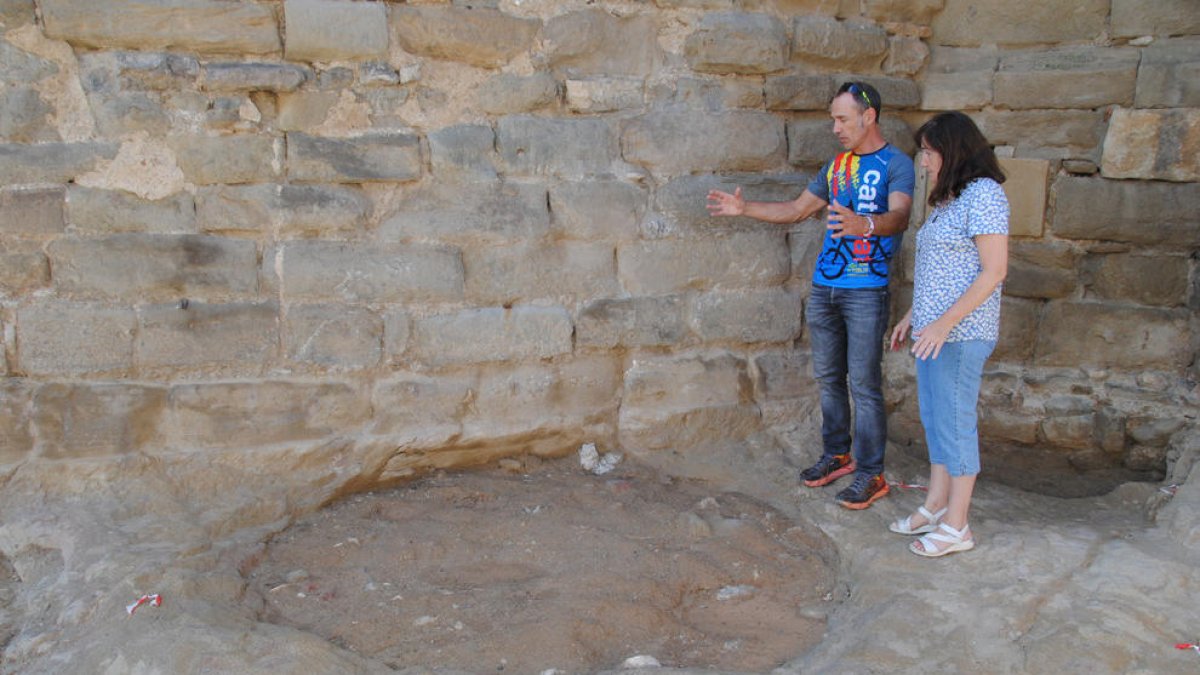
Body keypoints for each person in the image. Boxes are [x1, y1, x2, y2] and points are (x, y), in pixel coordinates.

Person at [707, 82, 915, 510]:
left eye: (842, 118)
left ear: (869, 116)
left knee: (864, 385)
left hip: (866, 291)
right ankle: (837, 453)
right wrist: (746, 209)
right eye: (833, 119)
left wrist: (866, 225)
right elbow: (797, 209)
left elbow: (900, 215)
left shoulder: (897, 163)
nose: (835, 127)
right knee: (828, 378)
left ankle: (871, 473)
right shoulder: (836, 166)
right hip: (826, 288)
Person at [887, 111, 1008, 557]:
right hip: (932, 332)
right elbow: (941, 272)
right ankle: (936, 505)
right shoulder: (947, 200)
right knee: (935, 419)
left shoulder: (985, 196)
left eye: (929, 152)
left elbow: (993, 271)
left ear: (952, 151)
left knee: (956, 425)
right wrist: (914, 315)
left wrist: (942, 323)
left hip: (960, 334)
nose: (924, 162)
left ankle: (958, 525)